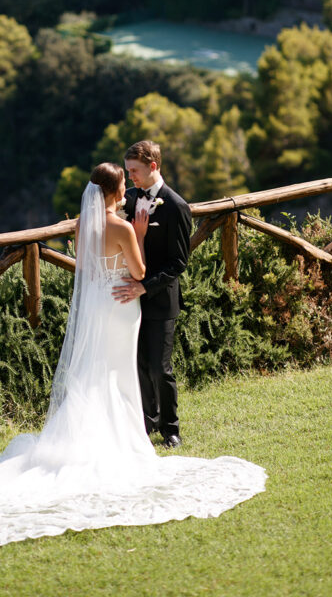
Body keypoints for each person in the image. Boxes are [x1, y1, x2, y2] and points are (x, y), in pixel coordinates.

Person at [0, 163, 266, 548]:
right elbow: (139, 273)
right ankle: (121, 440)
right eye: (123, 186)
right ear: (112, 192)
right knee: (118, 373)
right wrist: (138, 234)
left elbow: (87, 270)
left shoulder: (80, 227)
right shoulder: (123, 226)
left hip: (97, 305)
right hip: (122, 306)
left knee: (95, 372)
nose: (128, 190)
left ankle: (93, 435)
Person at [113, 140, 191, 448]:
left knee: (160, 367)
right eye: (128, 170)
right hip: (130, 301)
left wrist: (145, 285)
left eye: (134, 170)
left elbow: (178, 262)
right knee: (140, 364)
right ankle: (147, 423)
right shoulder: (128, 199)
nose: (130, 176)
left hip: (160, 299)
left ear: (153, 167)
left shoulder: (175, 206)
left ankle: (170, 429)